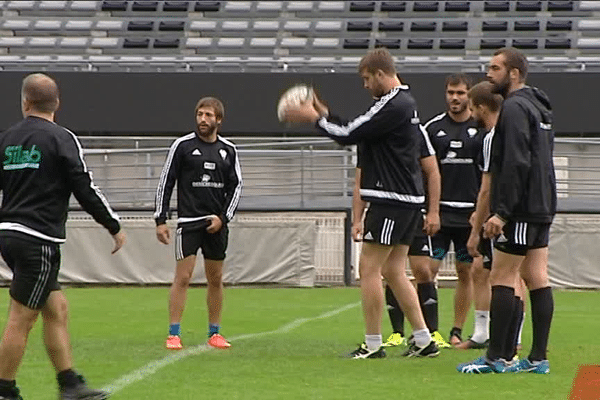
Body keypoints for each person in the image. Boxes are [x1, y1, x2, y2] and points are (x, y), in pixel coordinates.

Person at [284, 48, 439, 359]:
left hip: (391, 200)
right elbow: (359, 129)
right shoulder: (401, 104)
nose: (366, 85)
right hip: (406, 201)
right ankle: (424, 339)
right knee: (394, 271)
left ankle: (372, 344)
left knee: (368, 268)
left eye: (368, 79)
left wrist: (314, 119)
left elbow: (348, 134)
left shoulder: (393, 103)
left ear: (381, 74)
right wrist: (325, 114)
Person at [0, 73, 126, 400]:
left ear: (25, 102)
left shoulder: (8, 138)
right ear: (56, 104)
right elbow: (83, 187)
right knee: (21, 318)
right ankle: (4, 389)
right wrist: (113, 225)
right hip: (38, 239)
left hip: (10, 236)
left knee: (56, 308)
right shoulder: (60, 138)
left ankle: (69, 383)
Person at [458, 47, 556, 374]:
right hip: (542, 205)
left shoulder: (514, 108)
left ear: (513, 73)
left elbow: (516, 162)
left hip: (521, 209)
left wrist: (501, 212)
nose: (489, 73)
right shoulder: (539, 106)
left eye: (495, 68)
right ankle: (537, 359)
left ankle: (497, 357)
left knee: (503, 275)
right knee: (535, 276)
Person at [155, 97, 242, 351]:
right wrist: (161, 219)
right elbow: (166, 182)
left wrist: (223, 218)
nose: (203, 120)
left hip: (216, 224)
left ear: (219, 120)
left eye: (208, 115)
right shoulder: (182, 146)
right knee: (183, 277)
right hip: (189, 222)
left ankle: (214, 333)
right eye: (200, 114)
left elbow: (236, 188)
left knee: (215, 278)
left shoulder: (229, 150)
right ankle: (174, 333)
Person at [423, 74, 484, 346]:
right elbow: (424, 171)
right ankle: (425, 331)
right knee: (427, 269)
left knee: (466, 271)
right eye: (450, 92)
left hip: (470, 215)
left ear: (469, 95)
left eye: (460, 92)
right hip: (439, 213)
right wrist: (429, 210)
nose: (455, 98)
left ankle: (457, 330)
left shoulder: (481, 129)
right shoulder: (433, 128)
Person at [380, 125, 446, 349]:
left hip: (414, 210)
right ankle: (397, 332)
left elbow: (432, 171)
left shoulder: (418, 132)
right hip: (389, 207)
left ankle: (430, 331)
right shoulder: (379, 131)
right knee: (389, 269)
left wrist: (433, 211)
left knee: (422, 269)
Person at [454, 81, 503, 350]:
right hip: (515, 211)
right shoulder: (513, 132)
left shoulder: (492, 138)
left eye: (473, 108)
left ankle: (505, 338)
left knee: (505, 274)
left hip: (501, 215)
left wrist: (477, 225)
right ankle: (487, 334)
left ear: (482, 108)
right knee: (483, 270)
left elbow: (487, 188)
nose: (471, 114)